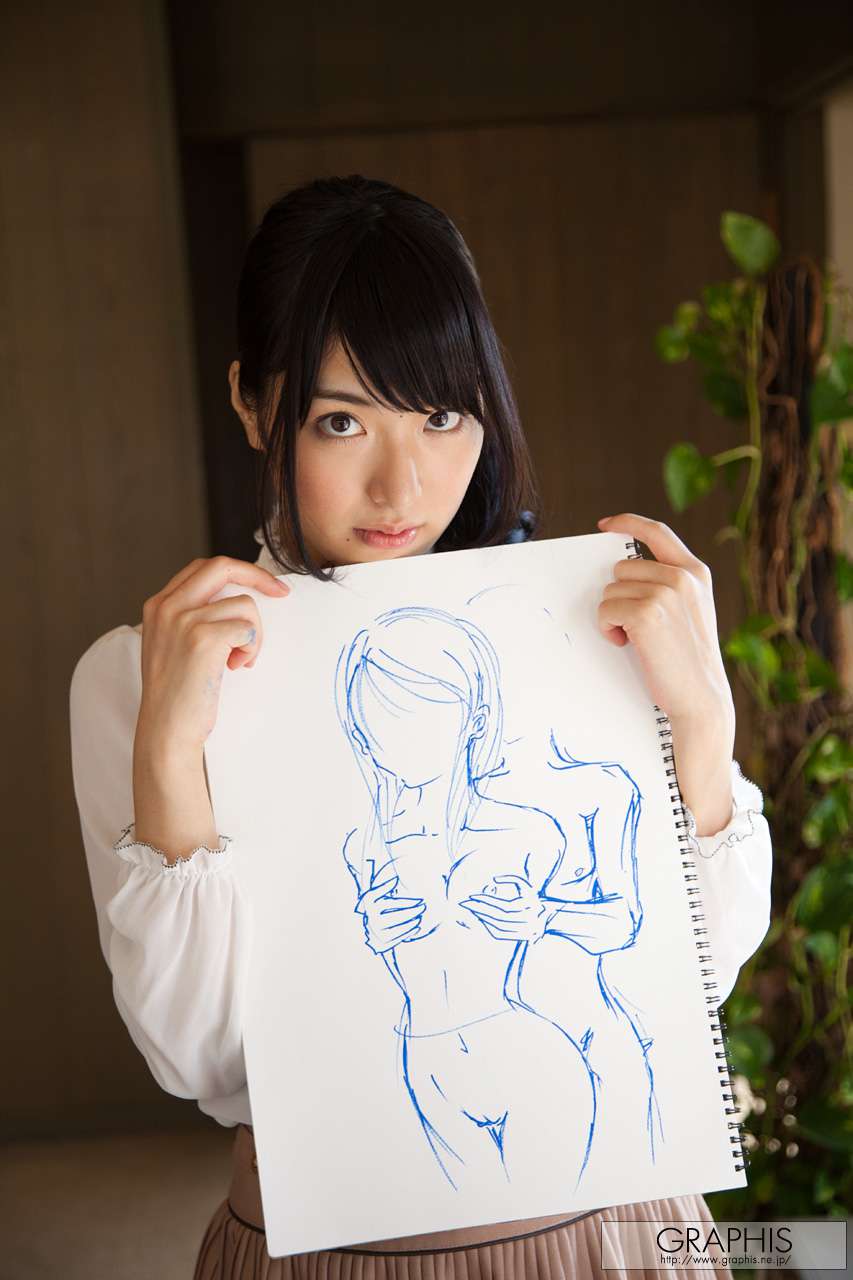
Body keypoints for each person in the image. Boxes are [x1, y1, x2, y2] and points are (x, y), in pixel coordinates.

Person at [69, 174, 773, 1278]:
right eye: (340, 421)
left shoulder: (596, 639)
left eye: (441, 416)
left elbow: (703, 980)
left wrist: (702, 718)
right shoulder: (137, 675)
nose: (401, 486)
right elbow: (200, 1059)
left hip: (615, 1225)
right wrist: (168, 748)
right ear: (252, 403)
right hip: (332, 1244)